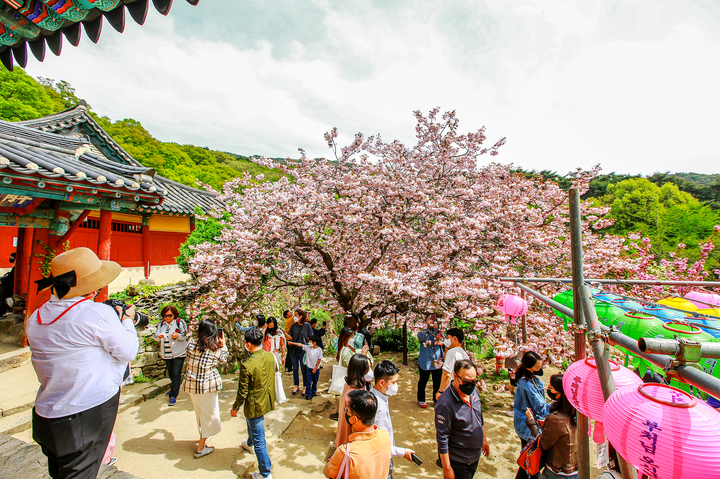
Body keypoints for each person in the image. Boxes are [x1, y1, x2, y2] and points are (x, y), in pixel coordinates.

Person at [26, 247, 139, 479]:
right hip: (84, 413)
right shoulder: (96, 314)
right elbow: (127, 352)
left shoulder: (36, 318)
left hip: (47, 414)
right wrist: (127, 322)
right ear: (93, 287)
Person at [232, 328, 276, 479]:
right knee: (252, 426)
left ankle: (265, 473)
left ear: (248, 344)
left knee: (260, 440)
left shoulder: (247, 364)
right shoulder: (270, 356)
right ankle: (248, 442)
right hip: (267, 399)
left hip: (255, 403)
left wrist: (235, 407)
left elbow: (242, 392)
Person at [182, 319, 229, 459]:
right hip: (207, 386)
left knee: (199, 412)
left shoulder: (191, 343)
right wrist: (223, 346)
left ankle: (204, 436)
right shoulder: (214, 349)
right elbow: (223, 360)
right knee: (209, 414)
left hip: (192, 385)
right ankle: (201, 447)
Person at [435, 359, 490, 479]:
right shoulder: (445, 404)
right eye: (465, 381)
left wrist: (484, 438)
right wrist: (447, 468)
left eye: (474, 381)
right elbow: (442, 437)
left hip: (474, 456)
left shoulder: (473, 392)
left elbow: (479, 415)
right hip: (459, 461)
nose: (470, 385)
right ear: (455, 376)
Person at [324, 389, 392, 479]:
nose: (346, 412)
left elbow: (327, 472)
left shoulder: (346, 452)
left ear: (354, 419)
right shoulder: (385, 436)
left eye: (347, 410)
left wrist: (332, 459)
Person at [524, 374, 578, 479]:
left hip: (557, 472)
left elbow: (543, 444)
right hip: (575, 470)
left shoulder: (556, 419)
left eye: (551, 387)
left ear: (559, 394)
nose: (549, 389)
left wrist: (532, 422)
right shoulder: (579, 414)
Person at [371, 360, 416, 478]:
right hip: (381, 459)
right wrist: (403, 452)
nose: (396, 386)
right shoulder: (379, 408)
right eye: (394, 382)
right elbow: (381, 444)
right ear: (382, 383)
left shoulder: (374, 395)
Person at [513, 351, 549, 479]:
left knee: (529, 459)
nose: (541, 369)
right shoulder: (527, 384)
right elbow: (541, 408)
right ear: (528, 368)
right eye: (538, 367)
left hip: (524, 424)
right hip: (528, 426)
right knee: (532, 461)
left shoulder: (529, 380)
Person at [154, 304, 188, 406]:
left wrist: (177, 336)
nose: (167, 318)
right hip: (167, 353)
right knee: (171, 373)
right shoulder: (161, 324)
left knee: (176, 373)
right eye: (165, 316)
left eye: (169, 315)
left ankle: (173, 395)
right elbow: (155, 336)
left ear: (174, 315)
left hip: (179, 352)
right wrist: (158, 337)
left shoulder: (179, 322)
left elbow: (186, 335)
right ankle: (174, 387)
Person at [336, 354, 374, 447]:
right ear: (361, 371)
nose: (370, 371)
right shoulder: (356, 395)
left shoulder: (349, 385)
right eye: (368, 368)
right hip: (351, 442)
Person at [417, 314, 444, 408]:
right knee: (423, 381)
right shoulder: (422, 330)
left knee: (437, 381)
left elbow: (442, 340)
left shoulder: (439, 331)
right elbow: (420, 338)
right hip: (425, 360)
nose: (431, 322)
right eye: (429, 320)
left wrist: (437, 329)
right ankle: (421, 399)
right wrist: (425, 328)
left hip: (437, 360)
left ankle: (436, 399)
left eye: (433, 320)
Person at [436, 328, 469, 401]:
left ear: (454, 338)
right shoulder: (463, 353)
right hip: (462, 389)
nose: (445, 340)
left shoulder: (451, 352)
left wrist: (440, 391)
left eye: (447, 337)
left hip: (451, 390)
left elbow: (447, 375)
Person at [285, 309, 313, 395]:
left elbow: (311, 337)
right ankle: (296, 385)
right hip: (294, 350)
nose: (295, 317)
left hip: (303, 350)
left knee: (304, 368)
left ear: (301, 316)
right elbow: (290, 337)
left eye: (296, 315)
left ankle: (305, 386)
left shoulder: (307, 326)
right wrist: (285, 334)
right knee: (295, 369)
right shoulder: (293, 326)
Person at [288, 334, 323, 400]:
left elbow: (319, 359)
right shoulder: (307, 347)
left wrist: (315, 368)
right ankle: (308, 394)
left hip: (316, 369)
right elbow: (300, 344)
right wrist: (291, 343)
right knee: (308, 382)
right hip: (308, 368)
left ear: (314, 342)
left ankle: (314, 393)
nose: (309, 343)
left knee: (315, 382)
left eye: (310, 341)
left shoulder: (319, 350)